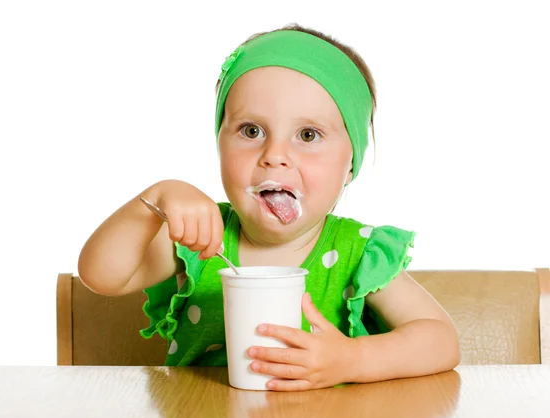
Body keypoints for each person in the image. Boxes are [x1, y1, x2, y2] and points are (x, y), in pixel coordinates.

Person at [78, 24, 460, 391]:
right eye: (251, 131)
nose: (274, 155)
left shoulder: (356, 252)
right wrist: (153, 203)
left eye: (308, 135)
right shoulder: (200, 236)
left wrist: (353, 359)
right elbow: (102, 275)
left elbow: (441, 340)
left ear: (349, 166)